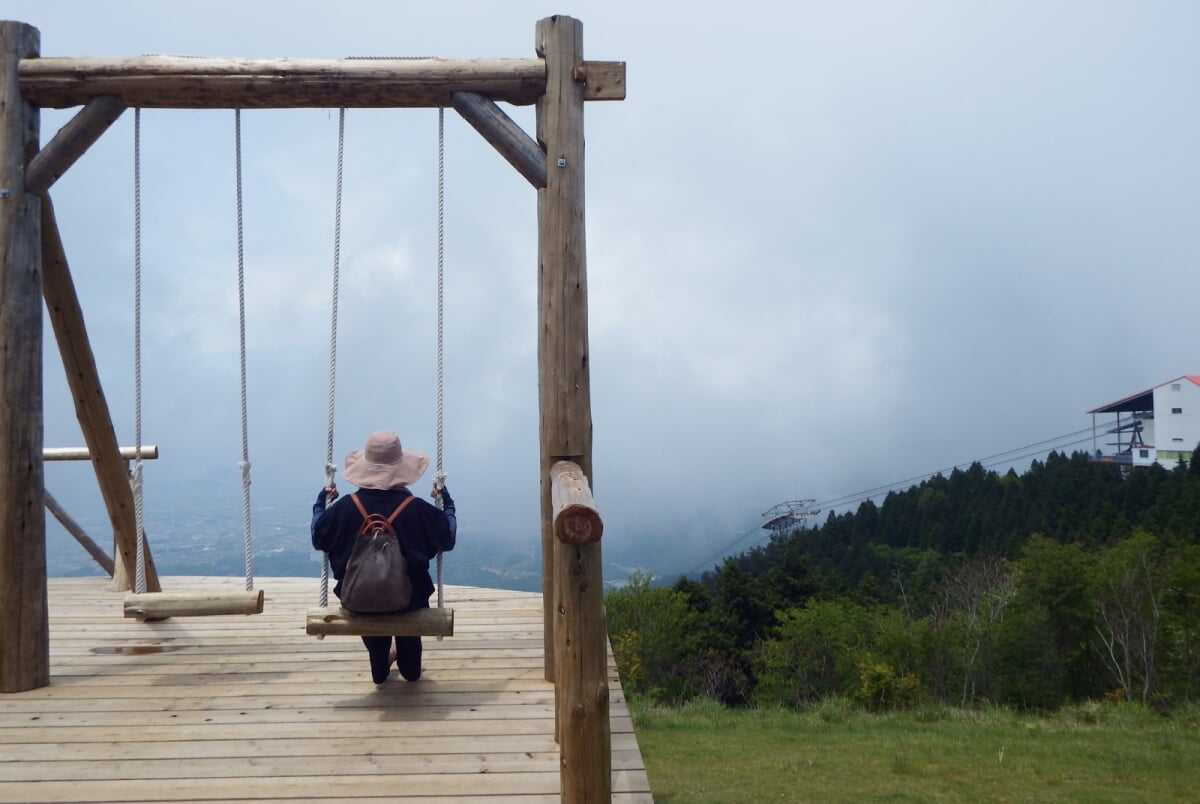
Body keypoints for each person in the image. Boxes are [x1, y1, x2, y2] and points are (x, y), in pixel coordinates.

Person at [311, 430, 457, 684]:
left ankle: (380, 666)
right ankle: (408, 667)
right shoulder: (417, 510)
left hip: (358, 597)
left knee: (370, 607)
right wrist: (447, 503)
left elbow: (318, 537)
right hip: (409, 601)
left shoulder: (345, 507)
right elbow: (447, 538)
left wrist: (321, 502)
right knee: (412, 665)